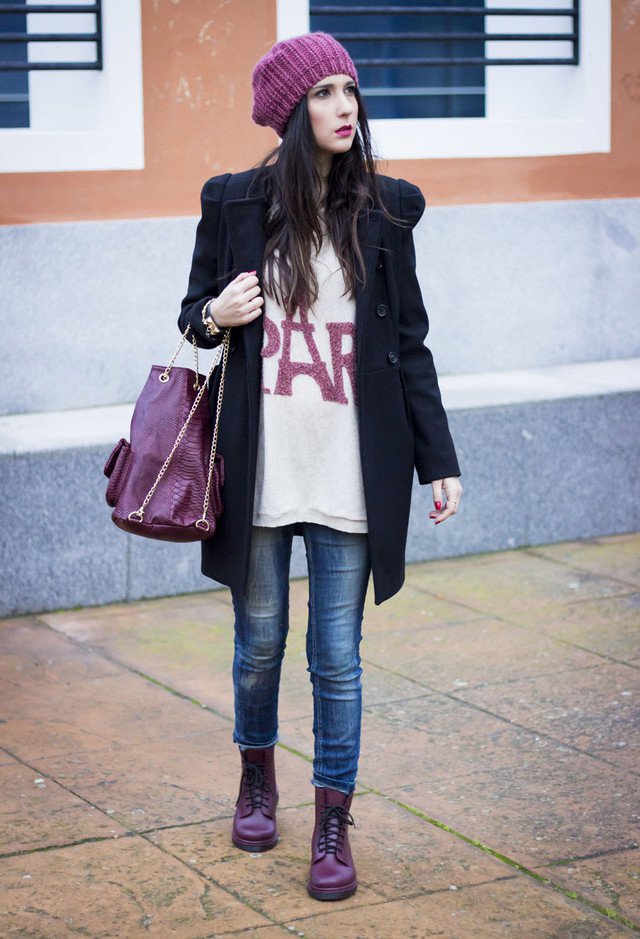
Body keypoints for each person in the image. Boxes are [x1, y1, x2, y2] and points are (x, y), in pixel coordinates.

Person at [178, 31, 463, 902]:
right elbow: (192, 319)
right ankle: (257, 779)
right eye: (324, 93)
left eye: (351, 88)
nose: (346, 105)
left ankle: (333, 818)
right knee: (260, 643)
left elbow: (408, 344)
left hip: (348, 470)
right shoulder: (232, 204)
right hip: (261, 469)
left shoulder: (388, 210)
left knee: (336, 656)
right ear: (290, 113)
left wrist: (436, 458)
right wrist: (216, 312)